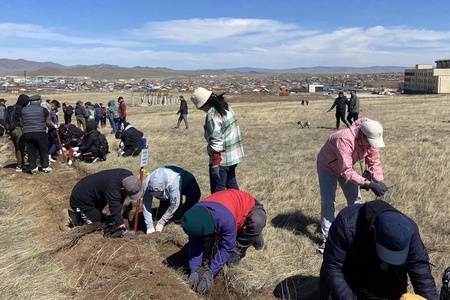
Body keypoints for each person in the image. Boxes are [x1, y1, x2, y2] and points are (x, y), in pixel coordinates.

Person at [319, 199, 438, 300]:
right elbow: (334, 267)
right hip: (352, 280)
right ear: (373, 229)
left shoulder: (409, 231)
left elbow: (421, 272)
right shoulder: (346, 224)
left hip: (388, 282)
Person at [317, 118, 387, 253]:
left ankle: (355, 232)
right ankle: (329, 239)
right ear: (362, 135)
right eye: (370, 143)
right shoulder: (344, 139)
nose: (371, 146)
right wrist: (368, 184)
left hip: (345, 167)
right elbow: (346, 171)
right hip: (327, 166)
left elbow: (374, 162)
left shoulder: (370, 141)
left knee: (356, 200)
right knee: (328, 202)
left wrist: (378, 181)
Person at [181, 189, 266, 294]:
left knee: (257, 222)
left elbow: (227, 248)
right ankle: (243, 233)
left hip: (248, 208)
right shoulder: (194, 218)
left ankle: (251, 236)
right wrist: (194, 270)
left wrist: (210, 274)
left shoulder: (225, 219)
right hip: (228, 214)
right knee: (208, 256)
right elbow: (195, 245)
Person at [190, 87, 245, 194]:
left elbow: (216, 140)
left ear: (204, 103)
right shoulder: (225, 107)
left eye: (201, 108)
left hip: (221, 160)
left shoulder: (213, 115)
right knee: (232, 188)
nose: (202, 110)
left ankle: (223, 210)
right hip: (233, 156)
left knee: (217, 194)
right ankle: (242, 208)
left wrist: (215, 164)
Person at [69, 169, 141, 231]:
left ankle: (95, 216)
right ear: (122, 188)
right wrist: (123, 229)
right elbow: (114, 208)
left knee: (103, 221)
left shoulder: (128, 177)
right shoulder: (113, 188)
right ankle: (72, 217)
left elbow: (120, 199)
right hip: (81, 200)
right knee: (95, 227)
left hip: (95, 197)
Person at [142, 166, 201, 234]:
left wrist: (162, 222)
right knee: (162, 214)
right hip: (167, 192)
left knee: (194, 194)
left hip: (186, 181)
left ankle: (183, 212)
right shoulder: (148, 182)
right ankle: (171, 210)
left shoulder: (173, 179)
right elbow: (146, 204)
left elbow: (174, 203)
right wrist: (149, 226)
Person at [21, 94, 52, 174]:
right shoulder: (43, 109)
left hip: (27, 132)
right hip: (40, 132)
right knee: (43, 150)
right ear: (38, 101)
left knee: (31, 150)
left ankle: (33, 168)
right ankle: (45, 166)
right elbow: (48, 121)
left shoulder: (23, 110)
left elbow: (21, 122)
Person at [7, 94, 29, 172]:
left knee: (17, 148)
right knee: (21, 148)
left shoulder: (12, 107)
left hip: (11, 130)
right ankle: (20, 166)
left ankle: (20, 164)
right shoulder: (21, 109)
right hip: (18, 129)